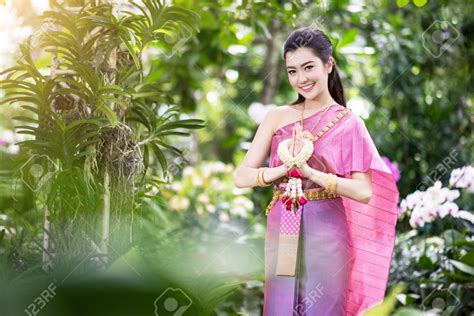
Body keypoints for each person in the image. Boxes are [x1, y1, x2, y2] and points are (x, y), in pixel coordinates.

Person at [233, 27, 399, 315]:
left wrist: (312, 173)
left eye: (308, 67)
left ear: (328, 65)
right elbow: (241, 176)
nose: (301, 79)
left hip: (327, 229)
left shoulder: (349, 124)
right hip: (283, 221)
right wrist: (282, 170)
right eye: (292, 71)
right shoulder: (276, 117)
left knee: (322, 306)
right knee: (281, 305)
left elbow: (363, 191)